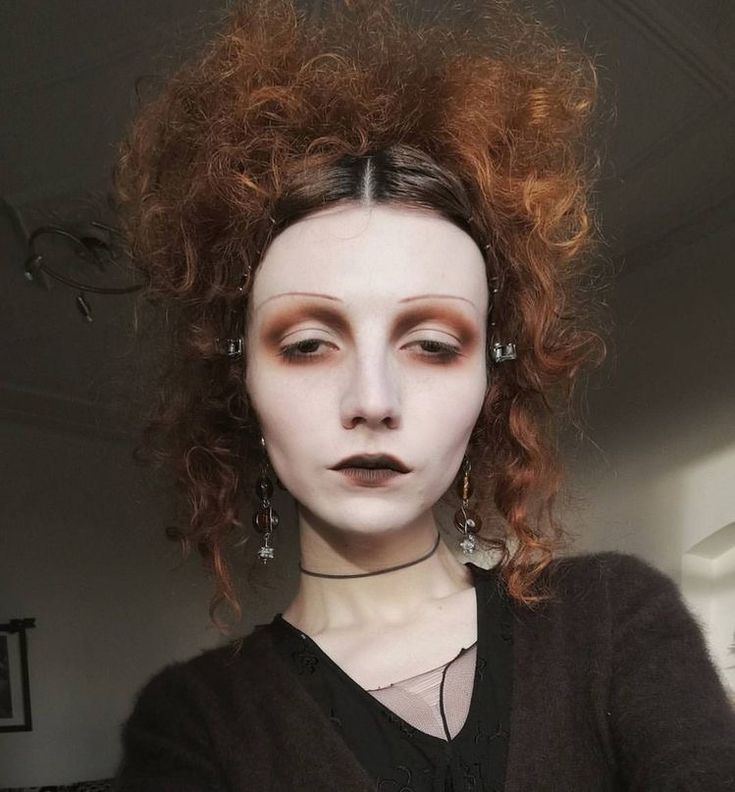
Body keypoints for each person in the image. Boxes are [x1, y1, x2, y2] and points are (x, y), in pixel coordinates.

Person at [111, 1, 735, 789]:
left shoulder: (613, 621)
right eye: (307, 344)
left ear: (488, 383)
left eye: (432, 346)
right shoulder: (194, 722)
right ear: (243, 381)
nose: (372, 399)